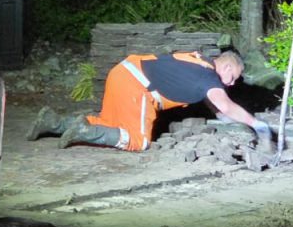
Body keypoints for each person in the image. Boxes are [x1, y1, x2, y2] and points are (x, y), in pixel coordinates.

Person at [28, 50, 272, 151]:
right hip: (139, 86)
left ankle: (53, 122)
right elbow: (225, 103)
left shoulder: (200, 60)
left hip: (124, 70)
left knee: (109, 122)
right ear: (227, 65)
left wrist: (220, 116)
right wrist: (256, 124)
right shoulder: (210, 79)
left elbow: (214, 101)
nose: (231, 83)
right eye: (233, 77)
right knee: (138, 140)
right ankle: (82, 131)